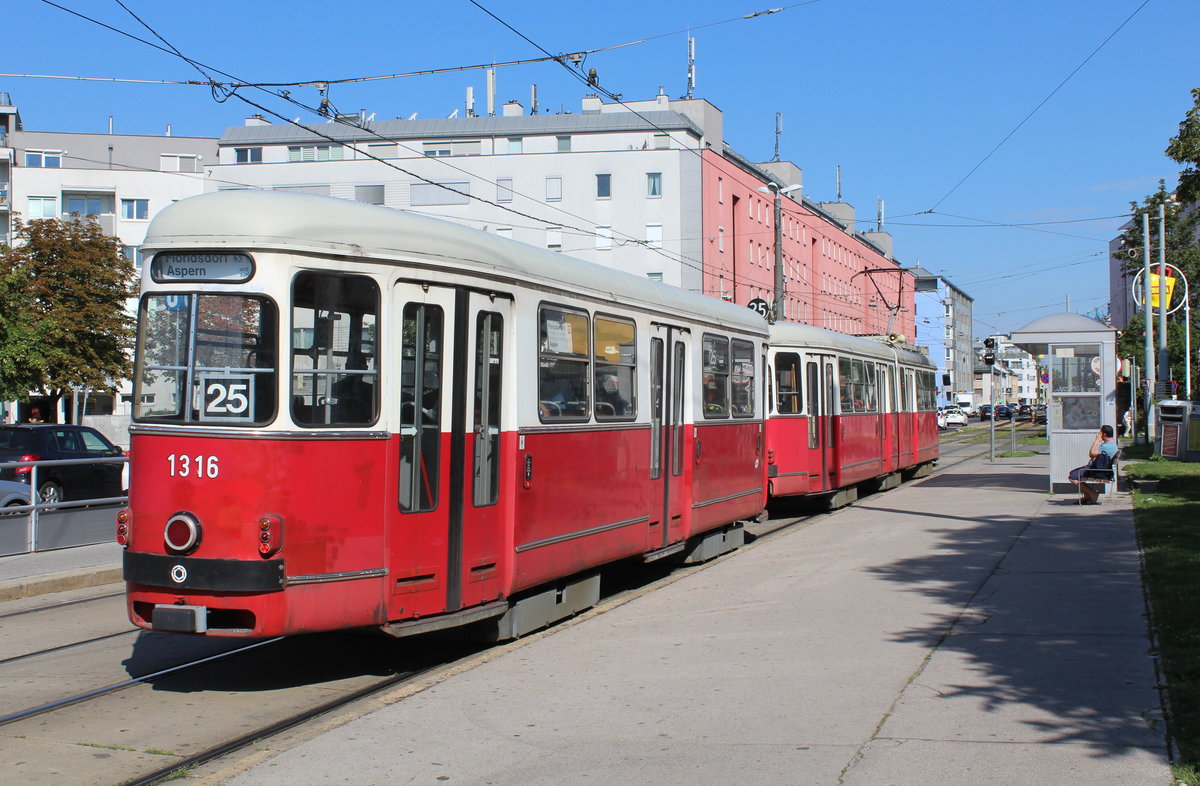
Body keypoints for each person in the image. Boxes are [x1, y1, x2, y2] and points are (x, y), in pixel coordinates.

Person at [1068, 425, 1118, 504]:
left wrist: (1097, 440)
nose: (1098, 434)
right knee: (1074, 474)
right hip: (1101, 469)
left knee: (1072, 476)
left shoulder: (1106, 446)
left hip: (1097, 471)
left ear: (1104, 434)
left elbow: (1091, 454)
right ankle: (1088, 495)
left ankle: (1092, 494)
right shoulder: (1113, 444)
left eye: (1100, 432)